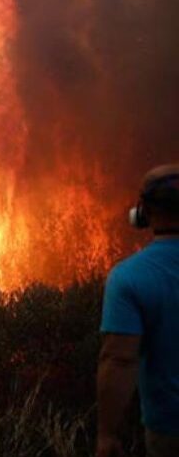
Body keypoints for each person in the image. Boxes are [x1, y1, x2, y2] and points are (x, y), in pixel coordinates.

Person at [98, 164, 179, 457]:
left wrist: (107, 435)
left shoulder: (129, 277)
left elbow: (119, 360)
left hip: (169, 431)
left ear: (142, 212)